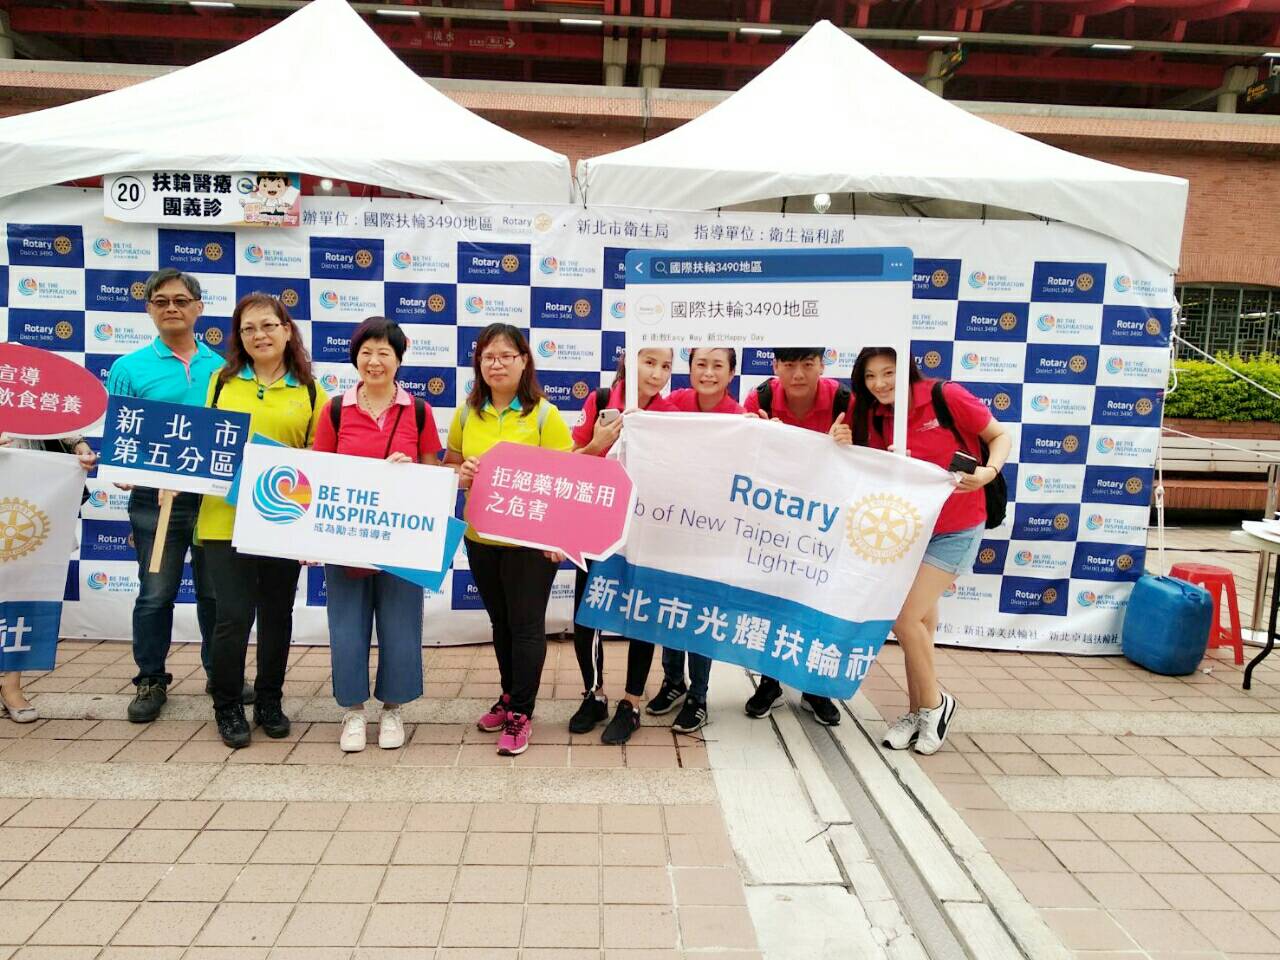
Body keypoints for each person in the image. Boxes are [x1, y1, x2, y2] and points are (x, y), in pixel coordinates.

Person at [834, 347, 1010, 755]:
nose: (880, 384)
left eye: (888, 373)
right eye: (871, 376)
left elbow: (999, 436)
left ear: (907, 370)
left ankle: (935, 705)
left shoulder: (945, 396)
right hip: (910, 528)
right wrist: (842, 441)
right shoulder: (870, 411)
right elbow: (861, 464)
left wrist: (988, 472)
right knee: (921, 625)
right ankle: (916, 712)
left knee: (904, 617)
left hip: (958, 525)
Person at [196, 294, 326, 748]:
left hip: (281, 520)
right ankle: (227, 705)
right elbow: (200, 443)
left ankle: (270, 700)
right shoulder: (219, 383)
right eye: (248, 328)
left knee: (276, 616)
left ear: (287, 331)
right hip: (223, 519)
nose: (259, 335)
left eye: (269, 325)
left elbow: (322, 458)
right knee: (232, 617)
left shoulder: (311, 391)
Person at [312, 317, 443, 754]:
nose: (374, 361)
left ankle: (392, 709)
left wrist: (411, 471)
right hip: (346, 539)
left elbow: (433, 475)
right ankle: (353, 711)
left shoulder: (419, 411)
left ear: (399, 359)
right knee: (347, 627)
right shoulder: (335, 409)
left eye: (384, 352)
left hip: (402, 541)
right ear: (355, 358)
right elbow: (319, 475)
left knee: (400, 627)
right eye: (366, 352)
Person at [106, 268, 231, 724]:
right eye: (161, 301)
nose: (171, 308)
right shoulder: (128, 368)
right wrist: (129, 472)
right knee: (156, 594)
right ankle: (151, 679)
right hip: (156, 501)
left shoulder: (224, 368)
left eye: (181, 300)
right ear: (149, 310)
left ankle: (221, 675)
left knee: (215, 596)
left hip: (212, 501)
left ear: (199, 308)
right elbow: (121, 436)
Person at [444, 323, 574, 756]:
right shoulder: (467, 413)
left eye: (505, 356)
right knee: (500, 624)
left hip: (530, 543)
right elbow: (450, 464)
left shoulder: (543, 415)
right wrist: (460, 473)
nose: (495, 364)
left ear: (523, 361)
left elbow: (565, 481)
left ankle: (521, 712)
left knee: (526, 627)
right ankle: (508, 695)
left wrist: (558, 536)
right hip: (480, 538)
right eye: (487, 357)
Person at [569, 349, 675, 743]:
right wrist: (599, 443)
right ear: (630, 360)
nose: (657, 373)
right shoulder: (600, 401)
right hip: (595, 526)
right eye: (650, 362)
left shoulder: (671, 414)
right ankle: (594, 694)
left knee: (641, 614)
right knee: (587, 615)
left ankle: (631, 704)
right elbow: (572, 461)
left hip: (646, 530)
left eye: (666, 366)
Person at [741, 347, 848, 727]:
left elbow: (869, 458)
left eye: (807, 364)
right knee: (772, 599)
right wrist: (758, 436)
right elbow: (743, 456)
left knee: (819, 601)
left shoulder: (844, 400)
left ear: (822, 364)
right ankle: (769, 682)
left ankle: (815, 687)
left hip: (825, 519)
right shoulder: (760, 398)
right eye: (789, 365)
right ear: (775, 366)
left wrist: (848, 443)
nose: (798, 374)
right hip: (775, 515)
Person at [647, 347, 745, 735]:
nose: (708, 372)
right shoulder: (673, 404)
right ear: (689, 369)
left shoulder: (741, 418)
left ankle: (698, 697)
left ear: (732, 373)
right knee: (671, 607)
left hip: (713, 531)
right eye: (700, 364)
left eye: (717, 366)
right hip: (673, 524)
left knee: (702, 613)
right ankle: (673, 682)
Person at [0, 434, 96, 723]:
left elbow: (54, 416)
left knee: (22, 590)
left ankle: (11, 685)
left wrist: (78, 445)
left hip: (32, 486)